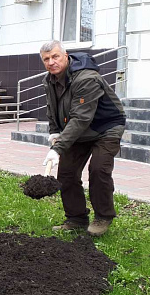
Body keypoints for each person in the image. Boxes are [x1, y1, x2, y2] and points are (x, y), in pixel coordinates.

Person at [40, 40, 126, 237]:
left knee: (98, 169)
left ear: (66, 55)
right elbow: (51, 109)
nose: (51, 62)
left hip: (105, 128)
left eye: (55, 56)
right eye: (46, 59)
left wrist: (57, 148)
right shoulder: (49, 80)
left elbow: (81, 118)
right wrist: (54, 131)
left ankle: (103, 216)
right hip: (78, 130)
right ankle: (76, 218)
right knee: (67, 173)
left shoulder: (86, 78)